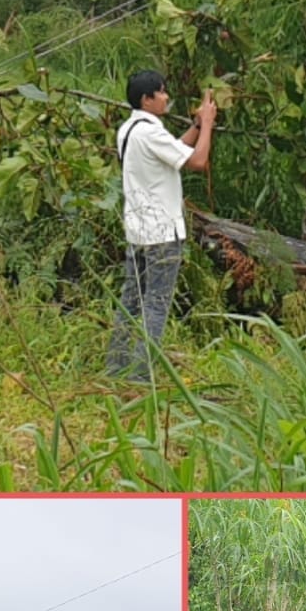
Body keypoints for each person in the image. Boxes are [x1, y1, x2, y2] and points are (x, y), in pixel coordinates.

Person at [105, 70, 216, 381]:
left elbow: (175, 151)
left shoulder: (131, 129)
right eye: (162, 93)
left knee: (131, 301)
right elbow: (196, 162)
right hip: (162, 233)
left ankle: (116, 367)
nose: (167, 98)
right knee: (155, 305)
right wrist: (207, 125)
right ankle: (141, 376)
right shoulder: (150, 132)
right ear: (147, 99)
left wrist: (195, 127)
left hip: (139, 230)